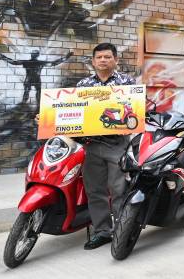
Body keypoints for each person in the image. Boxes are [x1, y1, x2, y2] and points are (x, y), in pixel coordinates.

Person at [76, 43, 135, 249]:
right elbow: (72, 110)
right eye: (99, 57)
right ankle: (102, 231)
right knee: (95, 190)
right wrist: (48, 117)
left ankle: (121, 231)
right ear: (93, 61)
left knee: (119, 189)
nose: (103, 60)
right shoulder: (83, 85)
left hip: (117, 144)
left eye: (107, 57)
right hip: (91, 145)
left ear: (115, 60)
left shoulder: (126, 82)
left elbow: (137, 107)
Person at [0, 47, 73, 106]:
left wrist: (2, 57)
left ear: (32, 55)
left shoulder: (27, 62)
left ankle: (26, 104)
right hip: (35, 79)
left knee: (28, 92)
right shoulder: (39, 63)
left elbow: (13, 62)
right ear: (37, 55)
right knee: (35, 92)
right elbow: (54, 63)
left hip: (29, 79)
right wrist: (67, 56)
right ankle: (35, 105)